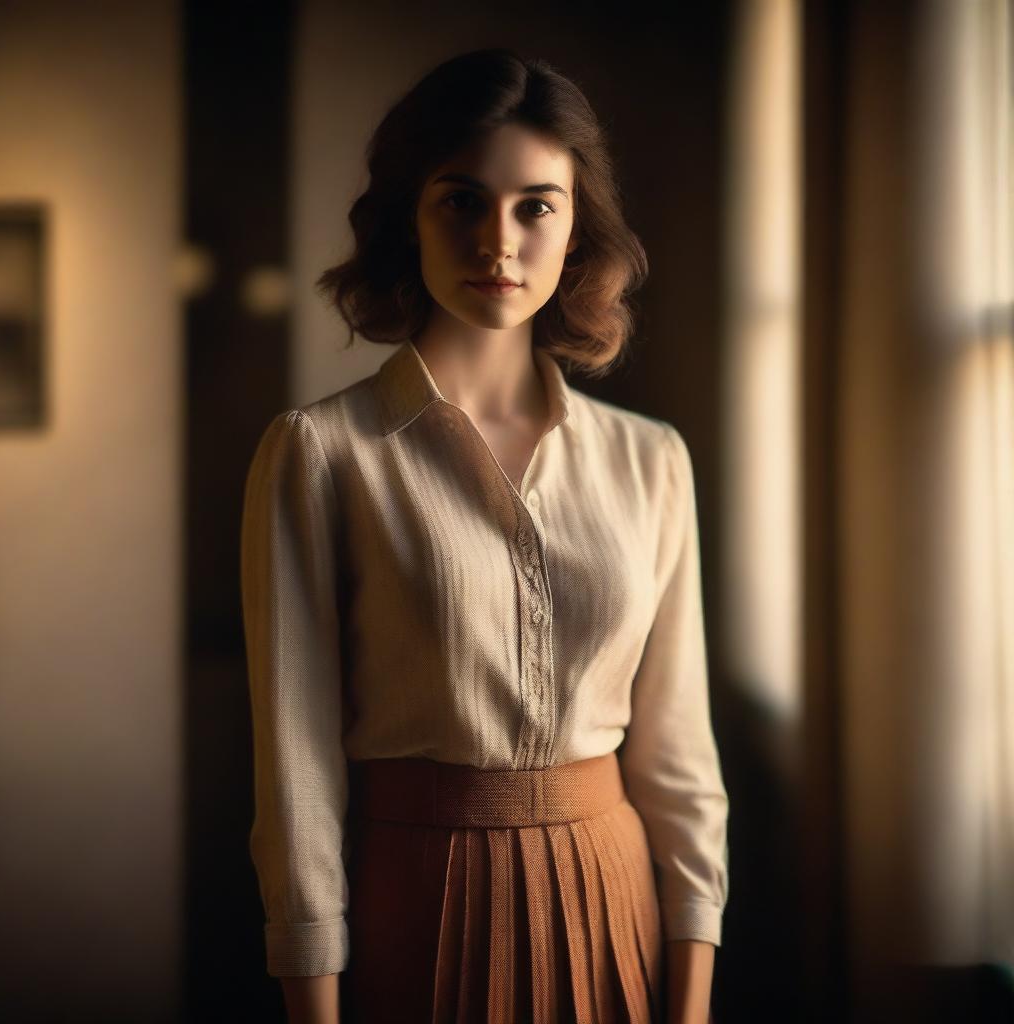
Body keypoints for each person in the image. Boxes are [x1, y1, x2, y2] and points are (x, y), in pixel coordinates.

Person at [240, 48, 729, 1024]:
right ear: (407, 218)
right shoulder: (322, 455)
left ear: (575, 225)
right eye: (461, 201)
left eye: (535, 205)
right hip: (414, 906)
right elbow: (295, 775)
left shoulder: (650, 461)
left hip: (614, 901)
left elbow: (679, 763)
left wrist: (689, 998)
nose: (498, 240)